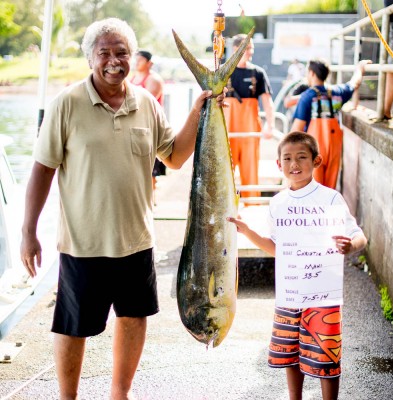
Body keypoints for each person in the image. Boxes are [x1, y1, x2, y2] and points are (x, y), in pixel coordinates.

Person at [20, 17, 226, 400]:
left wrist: (200, 108)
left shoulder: (145, 102)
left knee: (133, 318)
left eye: (122, 53)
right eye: (105, 53)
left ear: (133, 57)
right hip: (83, 243)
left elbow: (177, 157)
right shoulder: (66, 103)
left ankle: (120, 394)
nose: (114, 61)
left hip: (136, 239)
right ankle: (68, 397)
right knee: (72, 325)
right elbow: (42, 169)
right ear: (90, 58)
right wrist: (28, 232)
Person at [228, 131, 367, 400]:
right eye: (288, 158)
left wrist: (351, 246)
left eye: (302, 157)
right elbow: (278, 249)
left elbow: (359, 235)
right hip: (290, 292)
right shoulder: (278, 203)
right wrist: (248, 232)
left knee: (326, 355)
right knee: (290, 352)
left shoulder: (330, 199)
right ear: (278, 164)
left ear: (317, 160)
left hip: (323, 295)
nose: (294, 164)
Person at [291, 58, 370, 188]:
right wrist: (360, 69)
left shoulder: (307, 96)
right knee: (329, 188)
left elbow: (295, 131)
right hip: (334, 147)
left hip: (313, 149)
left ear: (311, 73)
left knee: (312, 188)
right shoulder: (337, 92)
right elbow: (354, 83)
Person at [224, 33, 275, 200]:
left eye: (251, 47)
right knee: (224, 171)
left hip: (250, 131)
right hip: (227, 131)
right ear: (235, 49)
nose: (250, 51)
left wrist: (270, 125)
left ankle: (251, 206)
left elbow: (267, 102)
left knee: (251, 171)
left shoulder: (257, 73)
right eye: (246, 48)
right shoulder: (223, 72)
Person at [131, 50, 166, 202]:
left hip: (149, 128)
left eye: (140, 60)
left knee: (150, 169)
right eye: (135, 60)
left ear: (149, 63)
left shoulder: (153, 80)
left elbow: (144, 104)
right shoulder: (132, 79)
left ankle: (150, 200)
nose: (137, 63)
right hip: (133, 128)